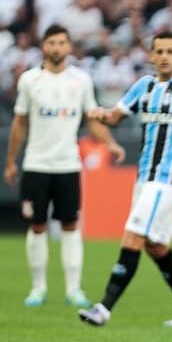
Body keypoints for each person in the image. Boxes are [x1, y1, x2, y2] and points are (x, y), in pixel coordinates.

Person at [77, 31, 172, 327]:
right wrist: (99, 113)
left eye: (170, 51)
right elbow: (115, 116)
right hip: (145, 175)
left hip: (168, 177)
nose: (164, 56)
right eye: (159, 51)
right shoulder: (144, 86)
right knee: (155, 245)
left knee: (133, 233)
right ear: (151, 55)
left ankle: (104, 308)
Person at [3, 24, 125, 308]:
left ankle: (73, 289)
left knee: (70, 225)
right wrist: (11, 161)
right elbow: (20, 122)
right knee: (37, 225)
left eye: (62, 43)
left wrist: (110, 143)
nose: (57, 48)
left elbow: (92, 118)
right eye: (52, 43)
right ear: (44, 47)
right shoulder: (30, 80)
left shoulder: (80, 80)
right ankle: (38, 288)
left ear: (69, 47)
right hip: (36, 164)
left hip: (68, 165)